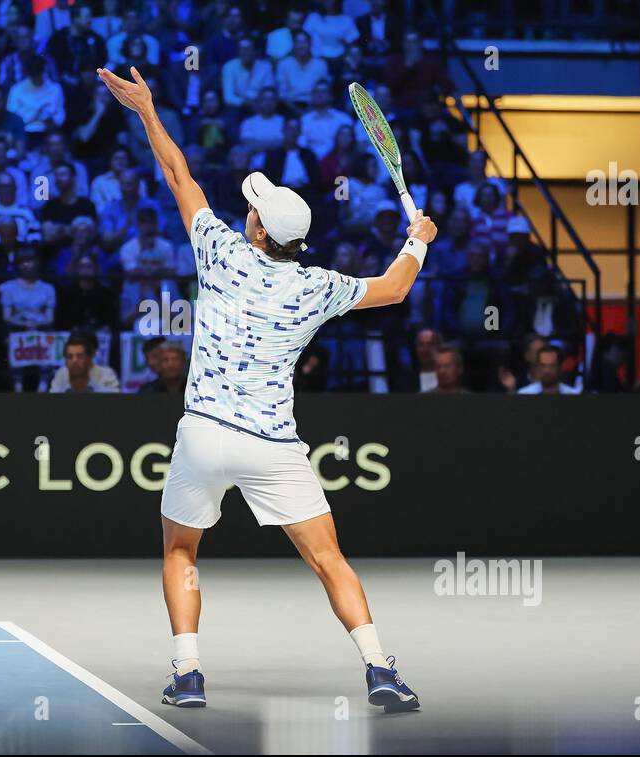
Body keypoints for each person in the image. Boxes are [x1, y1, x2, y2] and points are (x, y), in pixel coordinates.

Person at [96, 64, 437, 713]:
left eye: (252, 208)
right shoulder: (317, 286)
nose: (246, 211)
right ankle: (379, 670)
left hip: (203, 435)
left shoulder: (219, 252)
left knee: (179, 548)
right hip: (273, 445)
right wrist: (417, 242)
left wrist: (145, 108)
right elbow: (395, 288)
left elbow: (178, 176)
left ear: (256, 231)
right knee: (329, 560)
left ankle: (188, 673)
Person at [49, 332, 120, 393]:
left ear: (92, 353)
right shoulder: (61, 373)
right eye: (70, 356)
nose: (75, 360)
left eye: (80, 355)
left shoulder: (107, 374)